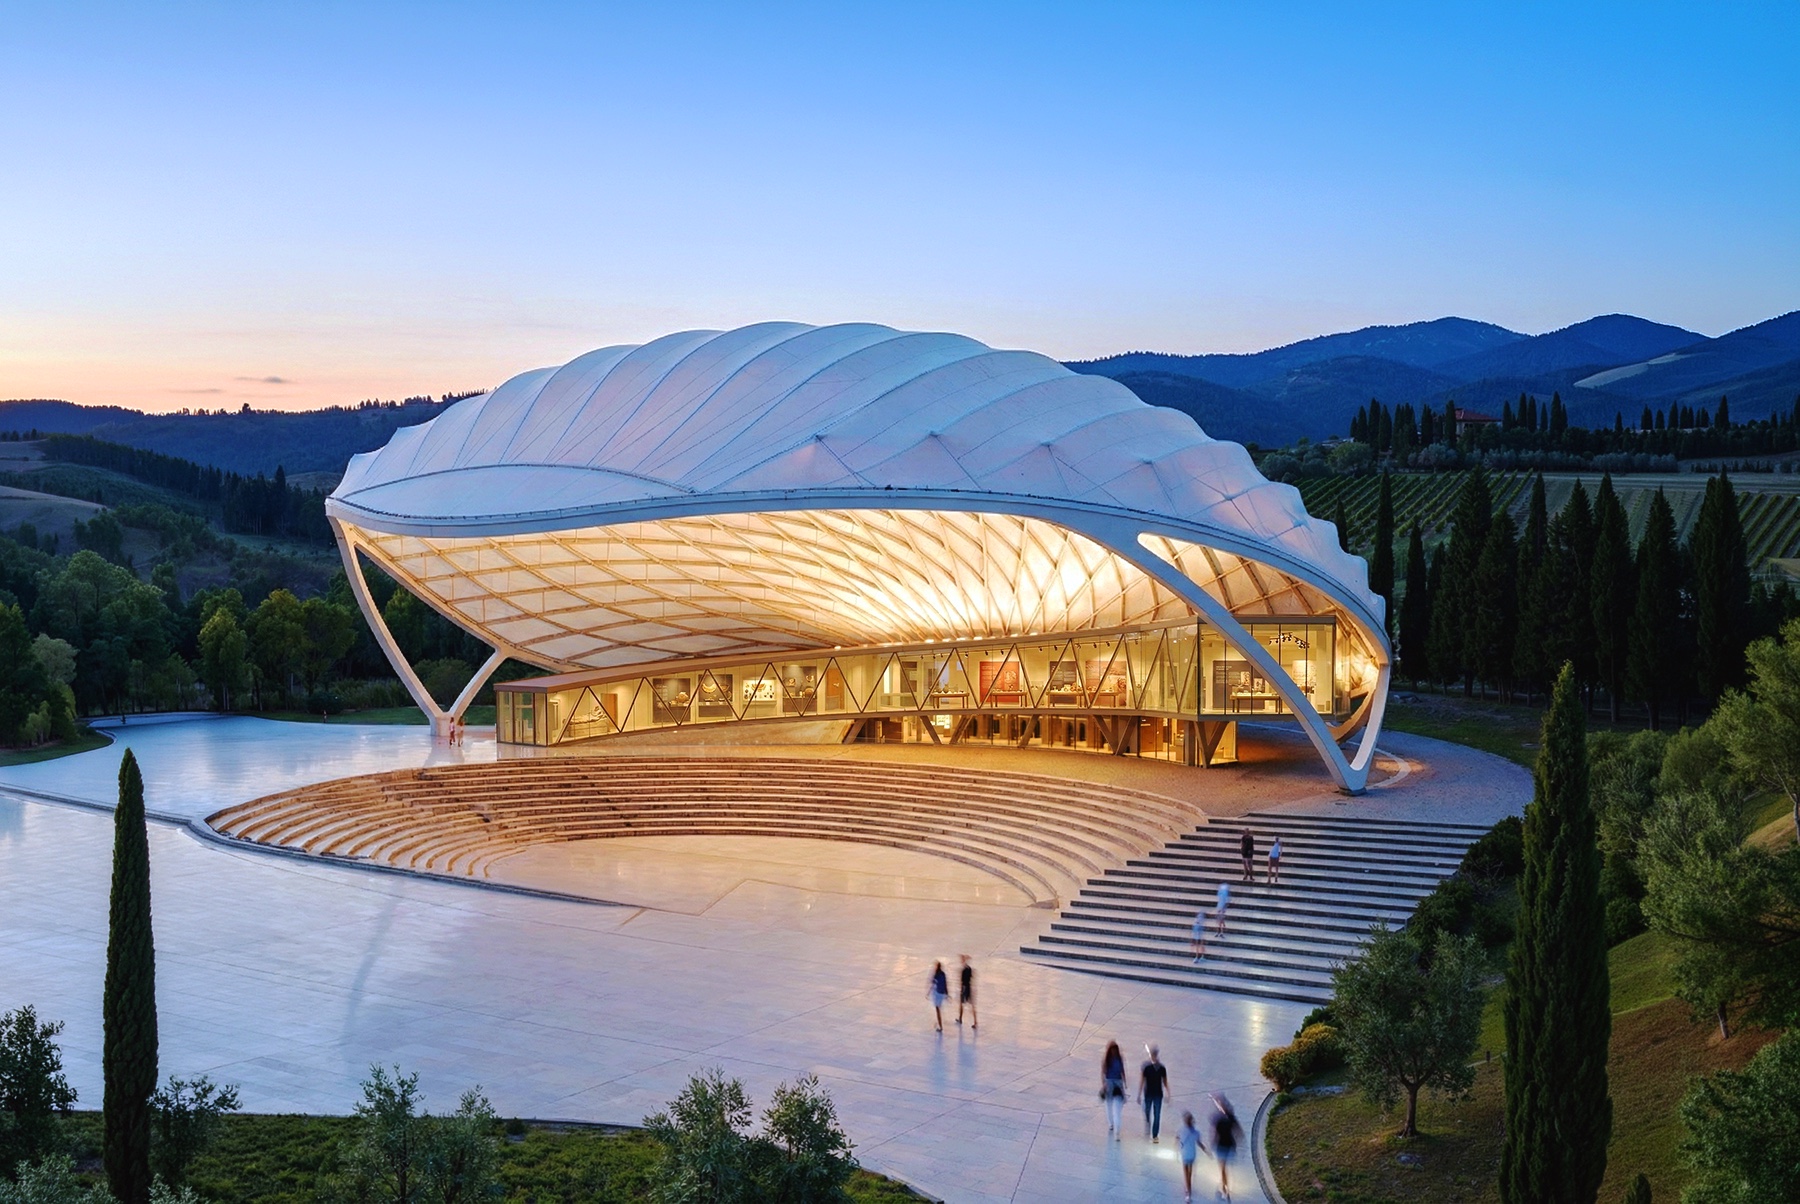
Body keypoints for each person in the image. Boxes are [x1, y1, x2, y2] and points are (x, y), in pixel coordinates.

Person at [1210, 1094, 1242, 1201]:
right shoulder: (1231, 1118)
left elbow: (1215, 1134)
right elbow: (1238, 1132)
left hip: (1221, 1146)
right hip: (1229, 1145)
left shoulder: (1218, 1119)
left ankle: (1225, 1189)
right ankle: (1224, 1187)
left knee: (1223, 1169)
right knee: (1224, 1168)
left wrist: (1213, 1143)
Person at [1137, 1045, 1170, 1142]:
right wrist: (1139, 1093)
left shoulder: (1161, 1068)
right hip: (1149, 1093)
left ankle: (1155, 1134)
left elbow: (1165, 1081)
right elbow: (1142, 1080)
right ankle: (1148, 1121)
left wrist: (1168, 1093)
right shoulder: (1146, 1067)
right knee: (1147, 1111)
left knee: (1157, 1114)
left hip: (1157, 1094)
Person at [1100, 1041, 1126, 1137]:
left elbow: (1122, 1070)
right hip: (1109, 1082)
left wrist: (1124, 1082)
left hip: (1118, 1082)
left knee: (1118, 1101)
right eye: (1112, 1050)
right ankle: (1111, 1123)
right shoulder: (1107, 1060)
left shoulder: (1119, 1059)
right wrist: (1104, 1084)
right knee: (1108, 1103)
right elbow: (1103, 1072)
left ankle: (1114, 1121)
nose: (1114, 1052)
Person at [1178, 1110, 1202, 1201]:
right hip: (1192, 1154)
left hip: (1184, 1154)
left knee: (1185, 1172)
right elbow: (1199, 1143)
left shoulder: (1182, 1130)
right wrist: (1206, 1151)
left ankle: (1187, 1192)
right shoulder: (1196, 1132)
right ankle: (1189, 1189)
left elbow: (1178, 1138)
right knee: (1190, 1173)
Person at [956, 954, 977, 1028]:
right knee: (972, 1005)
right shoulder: (969, 969)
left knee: (961, 1004)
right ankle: (975, 1021)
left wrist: (961, 990)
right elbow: (972, 977)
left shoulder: (963, 970)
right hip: (969, 987)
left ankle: (960, 1018)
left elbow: (961, 981)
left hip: (964, 988)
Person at [928, 961, 949, 1032]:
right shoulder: (943, 974)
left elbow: (932, 984)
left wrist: (928, 993)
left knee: (937, 1009)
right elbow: (946, 984)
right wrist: (947, 993)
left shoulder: (936, 975)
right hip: (942, 993)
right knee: (939, 1008)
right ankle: (939, 1022)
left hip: (937, 993)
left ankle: (940, 1026)